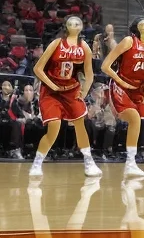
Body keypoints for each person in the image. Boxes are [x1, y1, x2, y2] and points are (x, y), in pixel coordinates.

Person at [29, 15, 101, 178]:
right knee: (54, 127)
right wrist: (52, 85)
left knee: (80, 124)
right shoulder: (56, 43)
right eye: (71, 23)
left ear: (81, 27)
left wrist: (84, 91)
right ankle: (37, 162)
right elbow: (38, 68)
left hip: (71, 90)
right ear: (66, 26)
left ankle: (89, 161)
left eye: (78, 23)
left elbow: (89, 74)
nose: (75, 25)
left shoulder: (85, 47)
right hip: (51, 91)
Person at [101, 17, 144, 179]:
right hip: (120, 86)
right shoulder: (128, 41)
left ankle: (130, 164)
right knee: (134, 119)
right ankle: (130, 163)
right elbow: (105, 66)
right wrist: (120, 81)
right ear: (136, 27)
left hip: (139, 89)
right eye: (143, 22)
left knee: (141, 120)